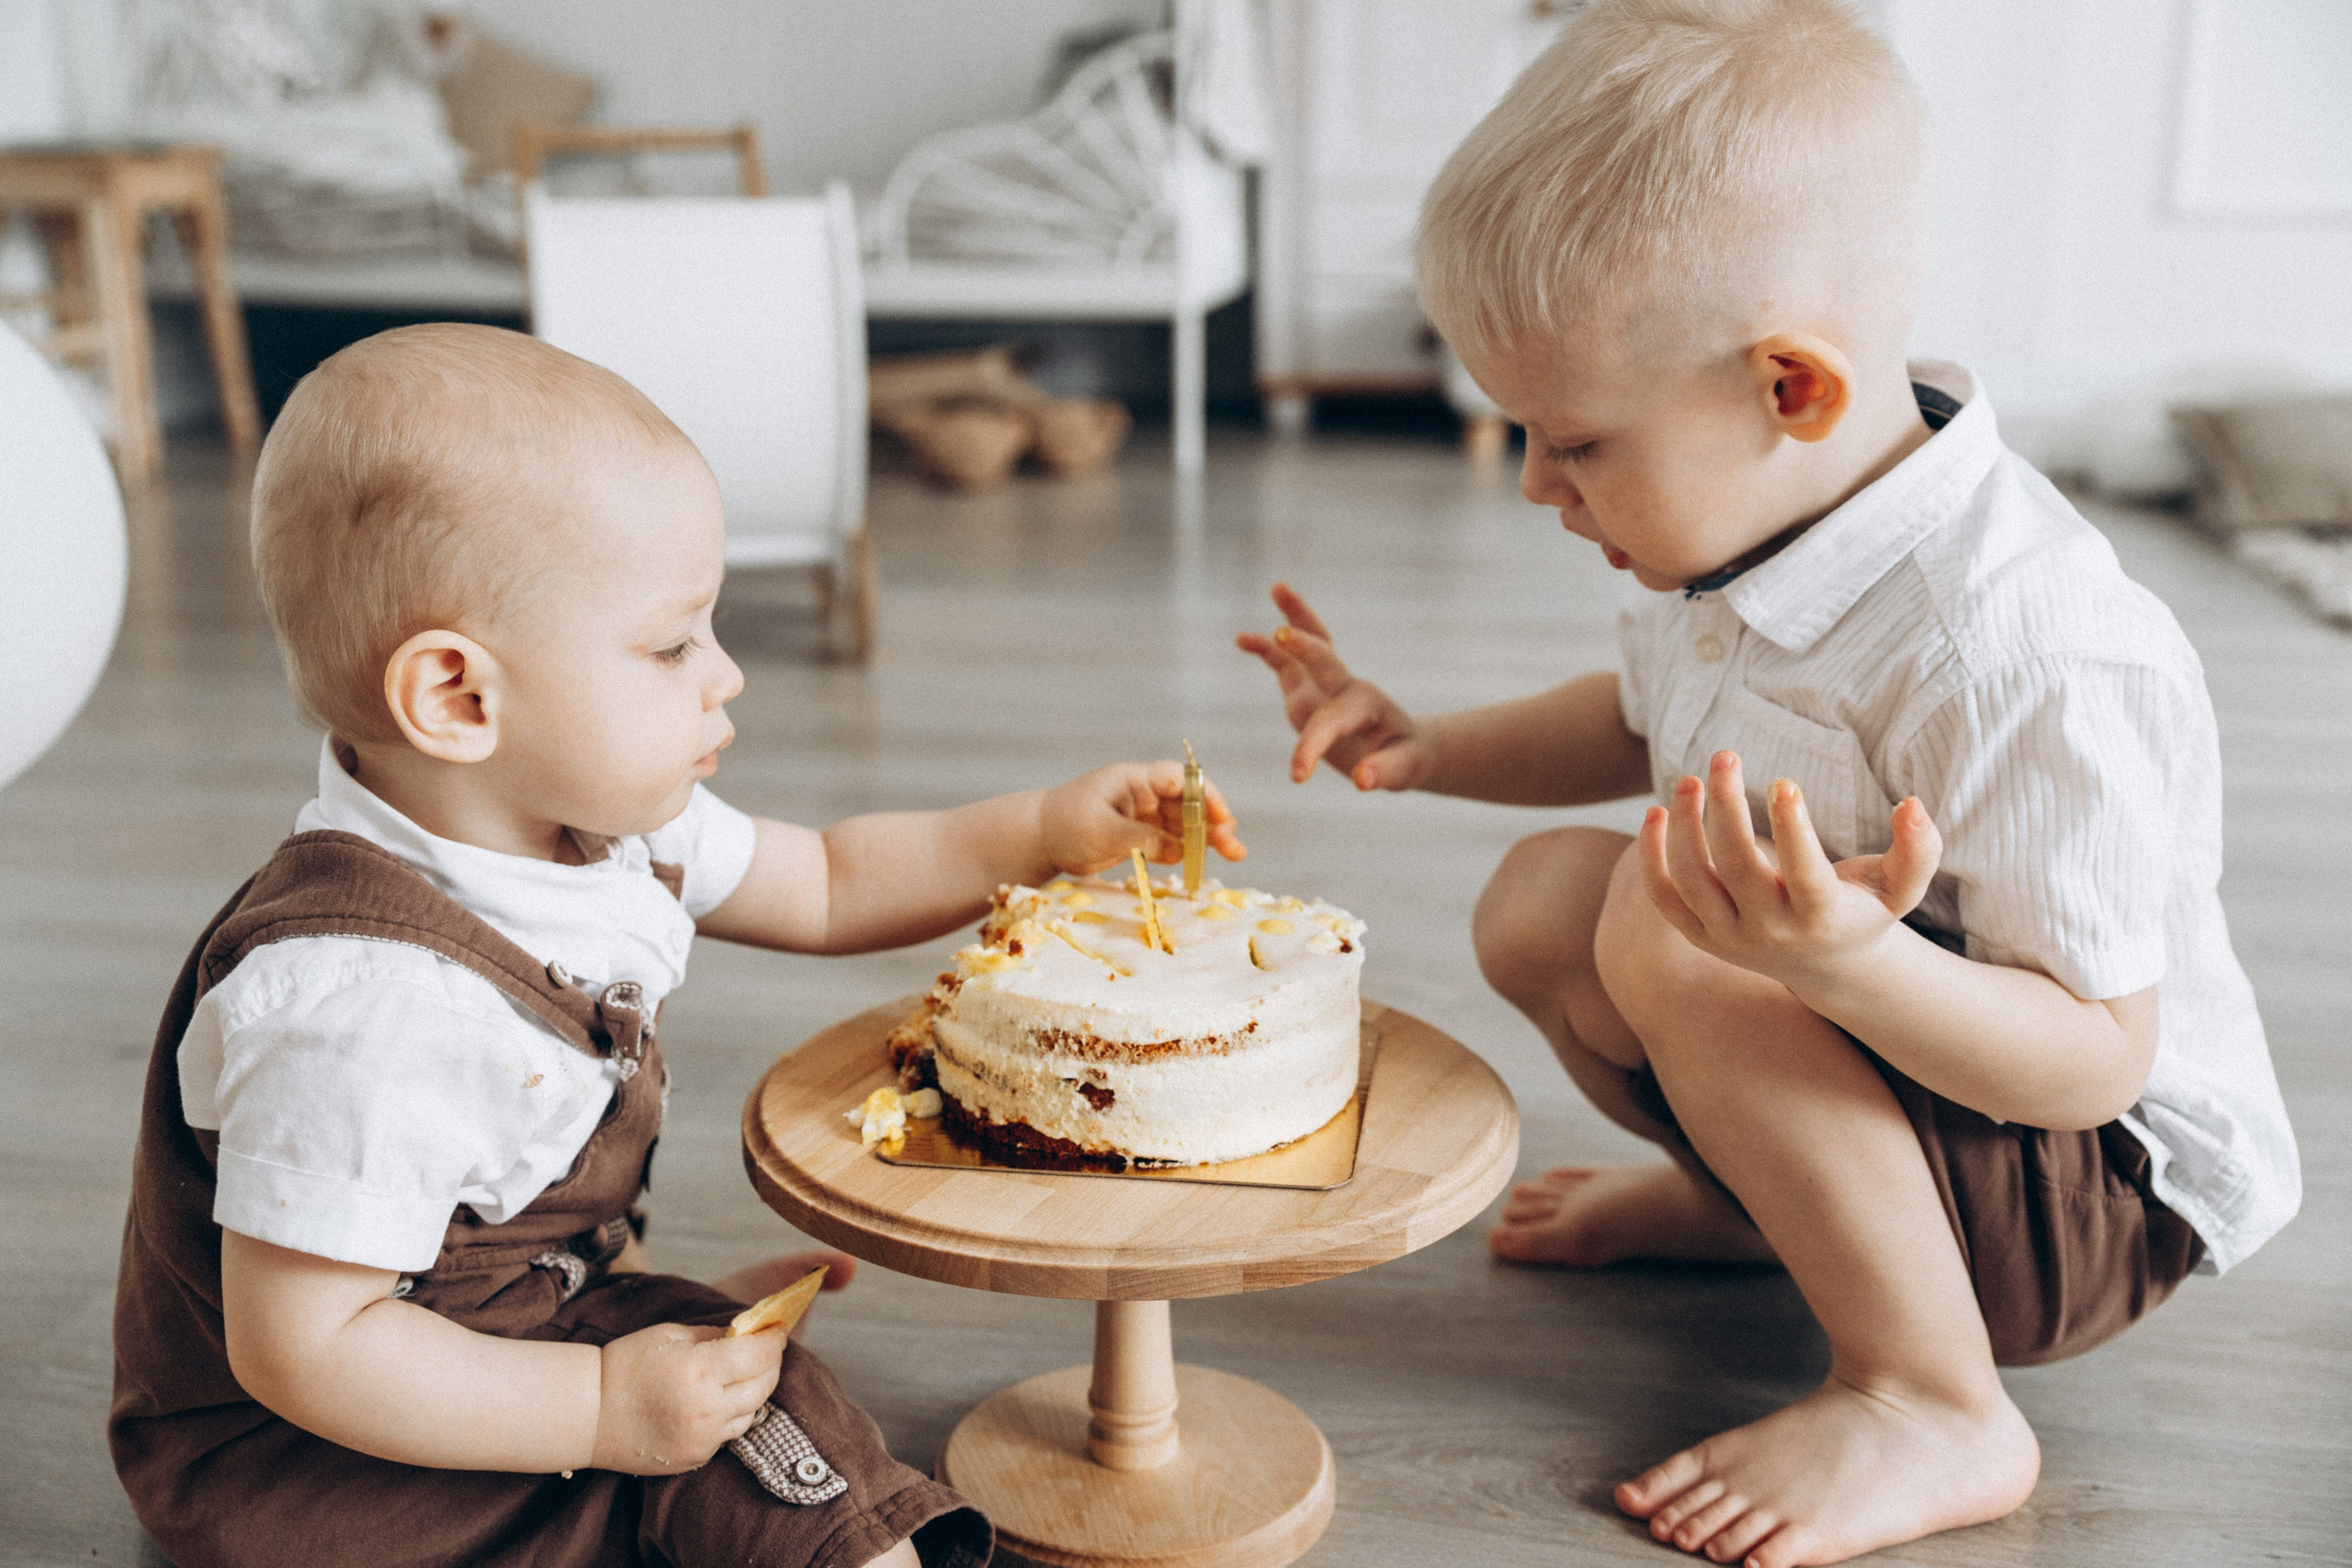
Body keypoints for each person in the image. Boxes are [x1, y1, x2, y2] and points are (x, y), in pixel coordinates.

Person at [1239, 3, 2298, 1564]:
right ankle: (1761, 1214)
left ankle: (1931, 1395)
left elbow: (2087, 1065)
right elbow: (1641, 711)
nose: (1537, 481)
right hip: (1924, 1090)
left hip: (2093, 1191)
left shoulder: (2016, 646)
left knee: (1674, 922)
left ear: (1788, 388)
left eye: (1574, 438)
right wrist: (1434, 744)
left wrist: (1848, 964)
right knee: (1549, 902)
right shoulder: (1752, 522)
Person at [112, 322, 1246, 1568]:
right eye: (671, 644)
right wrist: (599, 1407)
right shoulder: (361, 1005)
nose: (727, 676)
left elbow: (825, 880)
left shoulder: (594, 823)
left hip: (518, 1326)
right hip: (320, 1466)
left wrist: (1037, 830)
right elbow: (307, 1348)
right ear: (458, 698)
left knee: (776, 1417)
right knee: (720, 1442)